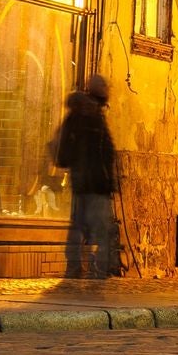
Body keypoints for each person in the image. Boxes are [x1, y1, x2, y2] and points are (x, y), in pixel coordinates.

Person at [54, 75, 120, 279]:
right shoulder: (91, 114)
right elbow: (101, 151)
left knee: (78, 225)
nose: (108, 89)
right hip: (95, 181)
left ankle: (74, 266)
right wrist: (109, 178)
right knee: (100, 229)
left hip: (82, 180)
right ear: (98, 90)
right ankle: (99, 269)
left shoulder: (82, 113)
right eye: (105, 86)